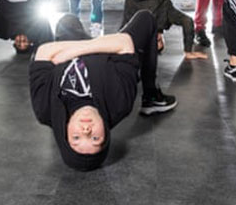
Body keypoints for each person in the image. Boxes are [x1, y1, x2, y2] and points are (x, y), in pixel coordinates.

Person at [29, 10, 177, 171]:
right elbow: (125, 43)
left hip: (86, 43)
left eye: (76, 137)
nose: (86, 130)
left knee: (67, 20)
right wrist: (73, 52)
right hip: (107, 56)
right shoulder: (119, 104)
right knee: (146, 18)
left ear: (64, 135)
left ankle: (99, 41)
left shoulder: (45, 110)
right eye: (95, 138)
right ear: (106, 135)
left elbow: (43, 52)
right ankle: (151, 95)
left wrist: (106, 44)